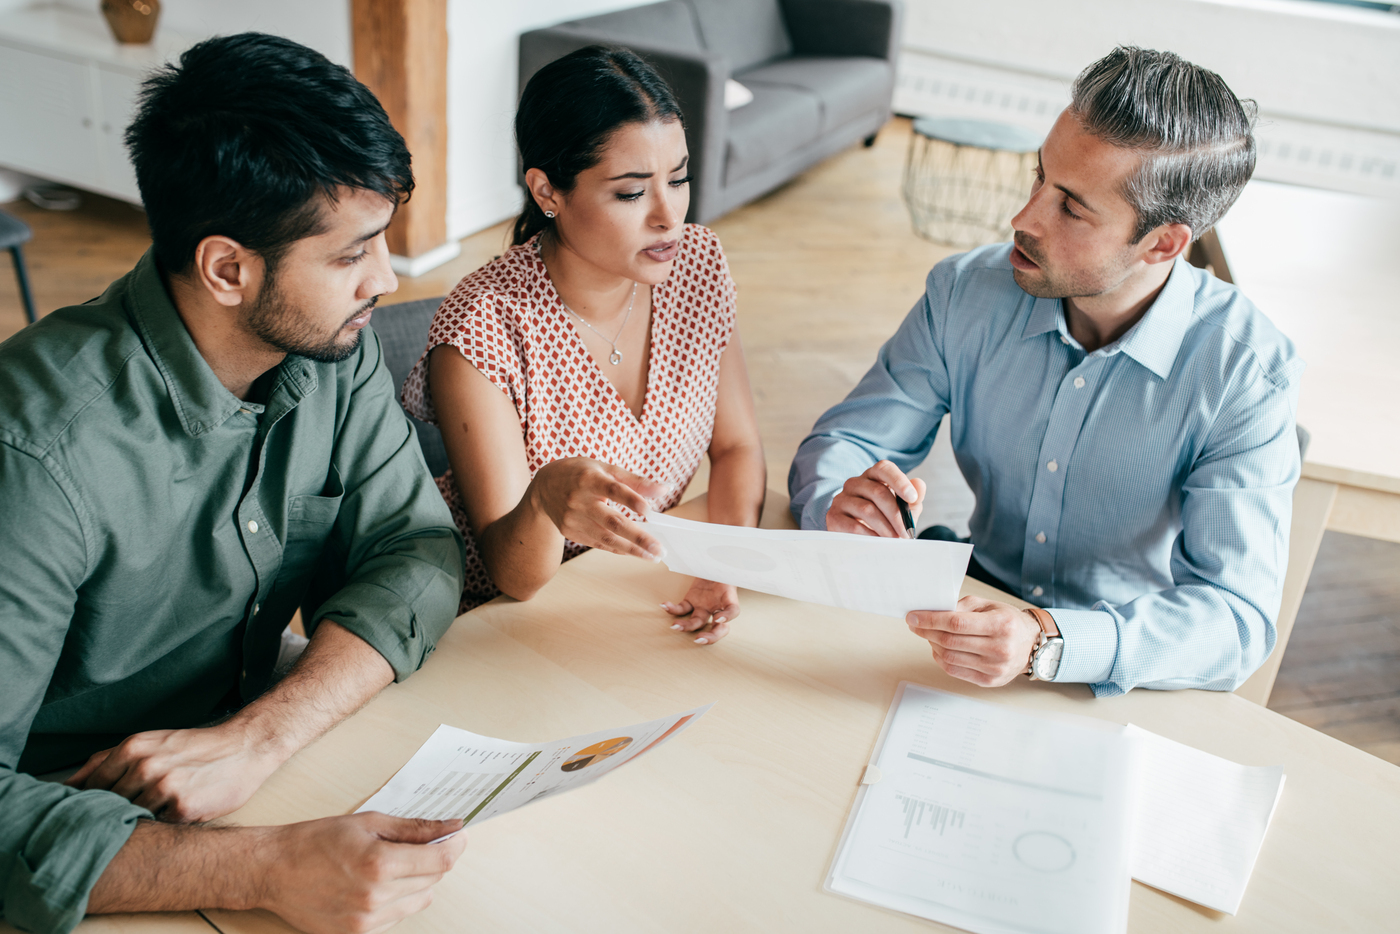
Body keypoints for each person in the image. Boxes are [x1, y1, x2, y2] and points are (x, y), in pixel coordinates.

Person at [0, 34, 470, 934]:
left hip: (243, 763)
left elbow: (412, 548)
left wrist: (260, 737)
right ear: (227, 268)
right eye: (350, 255)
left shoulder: (330, 346)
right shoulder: (35, 454)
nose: (387, 279)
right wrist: (264, 867)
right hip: (76, 847)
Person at [789, 47, 1303, 697]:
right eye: (1039, 178)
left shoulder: (1245, 374)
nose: (1023, 219)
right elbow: (847, 444)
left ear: (1164, 243)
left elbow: (1234, 617)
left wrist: (1048, 641)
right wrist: (839, 502)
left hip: (1116, 672)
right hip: (958, 625)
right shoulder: (963, 292)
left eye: (1072, 208)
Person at [402, 47, 766, 642]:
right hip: (497, 621)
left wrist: (719, 565)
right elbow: (512, 575)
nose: (668, 216)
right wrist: (546, 500)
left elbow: (738, 447)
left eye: (678, 179)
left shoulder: (696, 264)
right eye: (630, 194)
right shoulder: (481, 324)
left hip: (633, 591)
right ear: (548, 191)